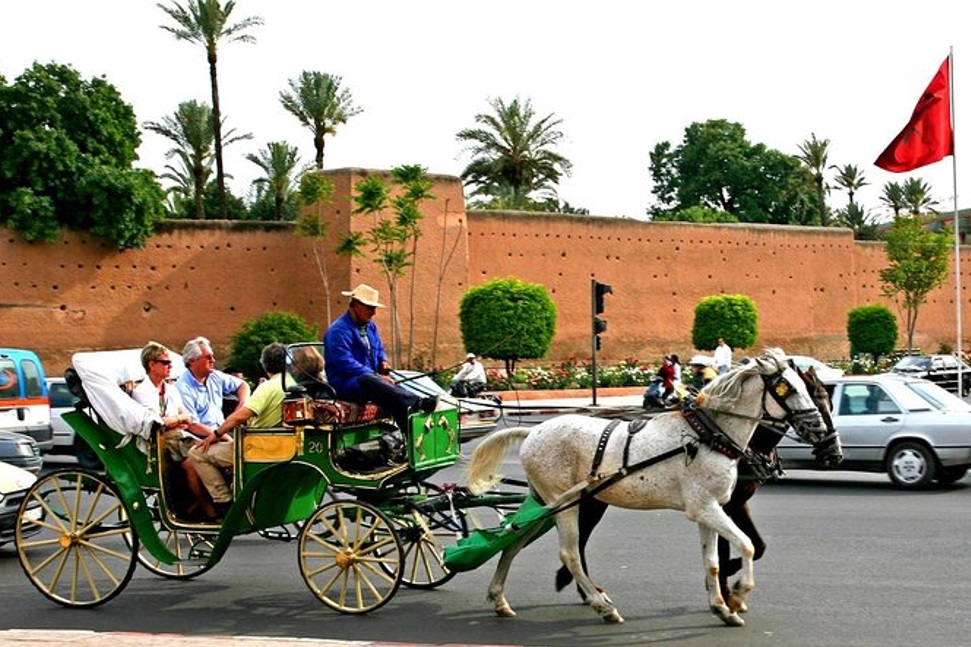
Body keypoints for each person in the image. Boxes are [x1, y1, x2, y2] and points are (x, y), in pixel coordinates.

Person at [324, 284, 437, 434]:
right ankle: (417, 402)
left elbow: (378, 349)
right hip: (346, 384)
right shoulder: (338, 331)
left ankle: (410, 440)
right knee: (368, 380)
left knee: (394, 398)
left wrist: (383, 362)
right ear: (356, 305)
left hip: (370, 382)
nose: (374, 312)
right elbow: (343, 362)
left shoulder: (371, 327)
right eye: (370, 308)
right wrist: (377, 376)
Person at [131, 341, 215, 519]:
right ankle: (204, 507)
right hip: (160, 442)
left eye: (170, 363)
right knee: (193, 464)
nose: (170, 366)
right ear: (152, 365)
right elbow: (156, 423)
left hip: (180, 437)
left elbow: (187, 417)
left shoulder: (170, 389)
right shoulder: (142, 392)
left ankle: (201, 503)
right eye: (165, 362)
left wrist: (175, 420)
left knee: (211, 454)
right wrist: (176, 419)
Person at [177, 336, 250, 517]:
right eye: (208, 357)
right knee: (193, 461)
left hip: (219, 431)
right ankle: (212, 506)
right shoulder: (183, 386)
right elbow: (192, 425)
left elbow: (242, 385)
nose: (213, 360)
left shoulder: (214, 377)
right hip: (197, 436)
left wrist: (242, 404)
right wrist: (223, 435)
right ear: (193, 361)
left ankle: (233, 495)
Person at [207, 342, 289, 440]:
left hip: (260, 445)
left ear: (265, 365)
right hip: (287, 442)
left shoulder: (268, 387)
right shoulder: (295, 383)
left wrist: (216, 434)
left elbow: (240, 417)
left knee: (196, 452)